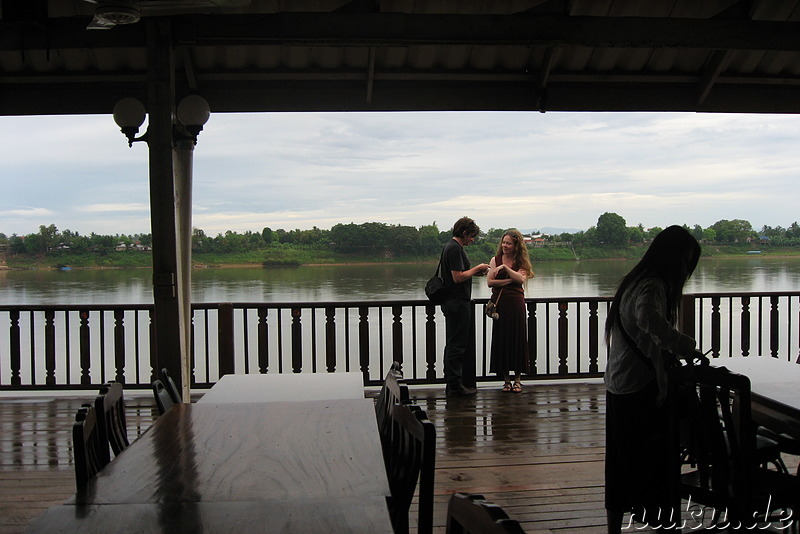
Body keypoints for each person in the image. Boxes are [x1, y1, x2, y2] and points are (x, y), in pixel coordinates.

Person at [603, 225, 702, 533]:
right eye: (685, 262)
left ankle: (615, 526)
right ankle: (664, 522)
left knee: (619, 463)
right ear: (673, 258)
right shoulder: (654, 285)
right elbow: (649, 319)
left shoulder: (634, 281)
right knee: (656, 462)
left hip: (618, 382)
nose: (686, 269)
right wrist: (686, 344)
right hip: (641, 386)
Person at [440, 217, 490, 397]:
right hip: (457, 304)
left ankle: (452, 383)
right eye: (471, 236)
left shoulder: (449, 247)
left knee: (453, 344)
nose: (473, 239)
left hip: (453, 302)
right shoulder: (454, 249)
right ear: (464, 233)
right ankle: (455, 386)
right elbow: (457, 277)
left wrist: (474, 274)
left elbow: (460, 275)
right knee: (457, 346)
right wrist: (477, 269)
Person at [487, 229, 534, 393]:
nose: (505, 245)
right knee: (502, 340)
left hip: (516, 304)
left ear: (516, 245)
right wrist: (510, 279)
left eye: (508, 243)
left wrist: (506, 270)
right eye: (503, 242)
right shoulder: (495, 260)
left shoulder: (521, 261)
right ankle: (506, 380)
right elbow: (490, 282)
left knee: (518, 339)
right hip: (500, 305)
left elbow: (521, 279)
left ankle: (518, 380)